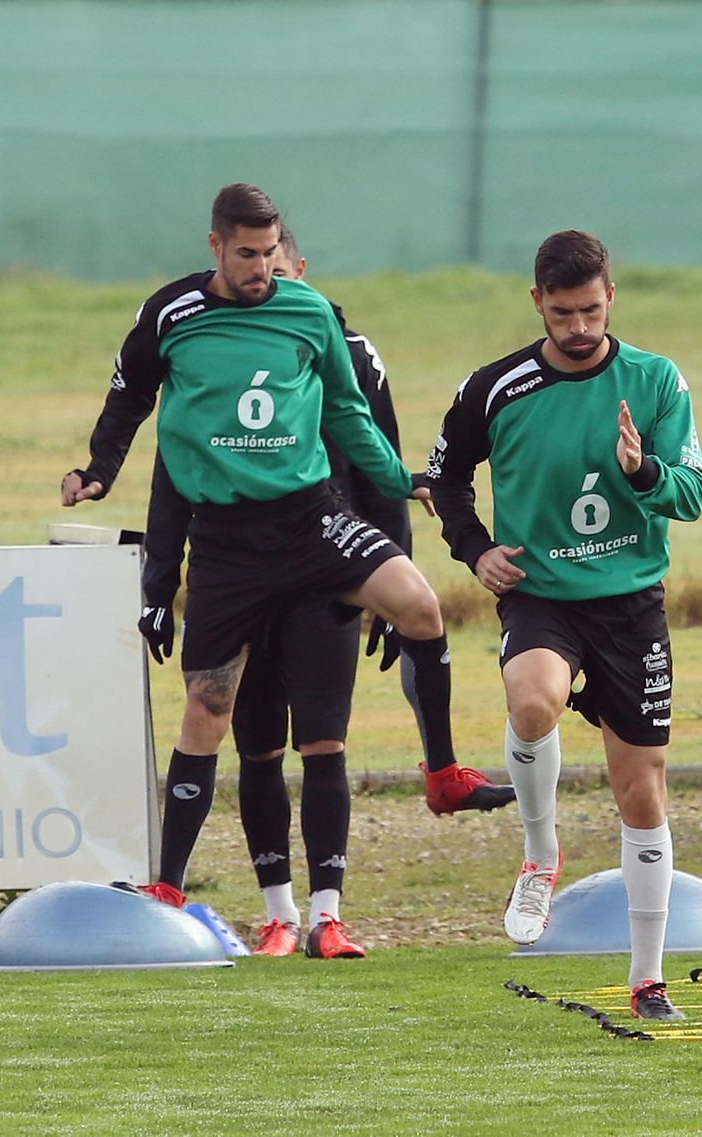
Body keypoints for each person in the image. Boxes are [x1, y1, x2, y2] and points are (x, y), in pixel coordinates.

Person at [62, 184, 449, 961]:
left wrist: (401, 479)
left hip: (310, 522)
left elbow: (348, 412)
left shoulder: (310, 312)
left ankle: (442, 770)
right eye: (246, 254)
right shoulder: (172, 314)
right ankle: (167, 888)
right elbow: (129, 396)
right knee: (208, 711)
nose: (261, 269)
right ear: (215, 246)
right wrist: (100, 469)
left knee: (419, 604)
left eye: (271, 253)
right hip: (228, 545)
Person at [137, 227, 515, 958]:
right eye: (249, 265)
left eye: (276, 268)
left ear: (299, 271)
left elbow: (378, 450)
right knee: (249, 741)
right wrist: (159, 580)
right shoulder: (209, 342)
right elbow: (171, 472)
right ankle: (273, 914)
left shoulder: (342, 342)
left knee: (325, 741)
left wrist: (387, 563)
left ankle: (328, 915)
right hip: (238, 562)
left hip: (325, 556)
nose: (262, 281)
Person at [425, 230, 702, 1020]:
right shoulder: (494, 387)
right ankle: (540, 854)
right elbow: (443, 477)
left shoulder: (654, 380)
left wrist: (642, 470)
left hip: (630, 601)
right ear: (537, 303)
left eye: (590, 310)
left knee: (641, 790)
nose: (578, 328)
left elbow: (692, 493)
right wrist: (474, 549)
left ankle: (648, 979)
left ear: (610, 296)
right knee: (532, 700)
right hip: (543, 593)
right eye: (562, 313)